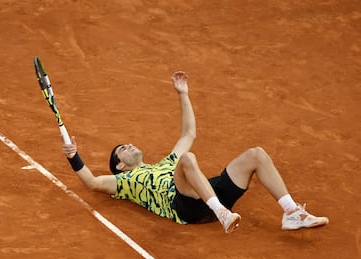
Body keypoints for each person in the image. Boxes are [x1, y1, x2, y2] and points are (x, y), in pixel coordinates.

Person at [62, 71, 329, 234]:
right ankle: (222, 214)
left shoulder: (167, 163)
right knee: (187, 159)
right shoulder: (124, 182)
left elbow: (188, 134)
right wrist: (74, 155)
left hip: (207, 193)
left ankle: (292, 212)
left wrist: (183, 94)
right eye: (122, 150)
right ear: (120, 166)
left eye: (128, 144)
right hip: (184, 207)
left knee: (256, 154)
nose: (129, 146)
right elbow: (92, 182)